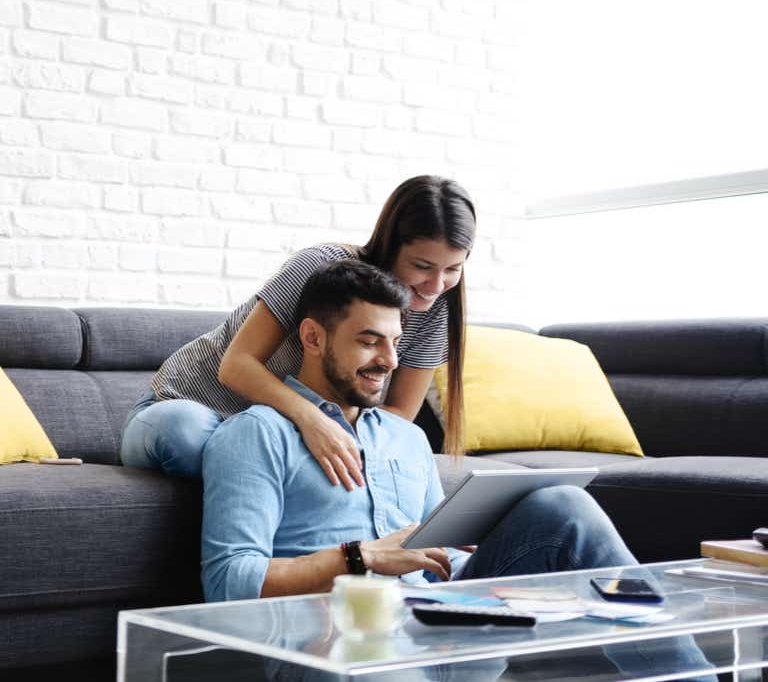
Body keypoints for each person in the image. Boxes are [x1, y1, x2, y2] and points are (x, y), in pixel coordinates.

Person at [201, 260, 716, 682]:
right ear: (313, 338)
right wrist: (359, 558)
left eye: (395, 343)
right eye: (368, 341)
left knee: (565, 505)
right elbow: (228, 582)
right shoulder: (257, 433)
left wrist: (475, 542)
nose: (388, 360)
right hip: (341, 641)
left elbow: (437, 554)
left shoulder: (405, 436)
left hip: (445, 623)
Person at [120, 175, 475, 482]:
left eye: (453, 269)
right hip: (189, 408)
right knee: (189, 436)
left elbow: (398, 417)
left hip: (276, 437)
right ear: (390, 244)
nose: (436, 284)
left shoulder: (436, 312)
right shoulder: (319, 268)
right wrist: (313, 421)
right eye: (423, 266)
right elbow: (236, 365)